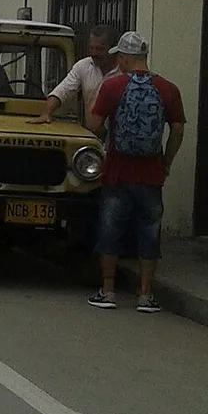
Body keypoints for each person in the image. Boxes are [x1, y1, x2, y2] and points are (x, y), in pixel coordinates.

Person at [85, 31, 185, 313]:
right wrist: (166, 162)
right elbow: (177, 128)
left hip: (117, 173)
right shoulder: (168, 89)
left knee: (110, 231)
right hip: (152, 176)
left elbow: (94, 124)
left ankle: (107, 291)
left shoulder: (113, 86)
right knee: (149, 233)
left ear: (126, 58)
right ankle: (145, 295)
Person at [29, 24, 121, 126]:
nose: (94, 53)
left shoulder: (124, 71)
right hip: (91, 133)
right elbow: (63, 90)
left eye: (100, 49)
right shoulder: (83, 66)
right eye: (91, 48)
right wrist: (46, 113)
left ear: (113, 49)